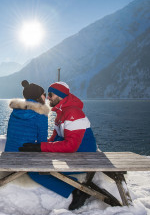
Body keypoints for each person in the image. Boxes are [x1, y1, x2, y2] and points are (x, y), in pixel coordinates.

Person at [19, 81, 98, 210]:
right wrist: (37, 145)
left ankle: (78, 190)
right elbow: (55, 139)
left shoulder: (73, 114)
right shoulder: (61, 114)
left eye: (50, 94)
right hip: (73, 155)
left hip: (83, 157)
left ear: (61, 96)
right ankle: (75, 187)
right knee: (34, 166)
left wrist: (40, 147)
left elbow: (70, 146)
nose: (48, 97)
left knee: (36, 170)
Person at [4, 80, 49, 153]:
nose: (45, 97)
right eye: (44, 94)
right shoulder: (41, 113)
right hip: (26, 157)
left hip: (8, 154)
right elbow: (42, 142)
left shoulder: (15, 111)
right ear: (38, 97)